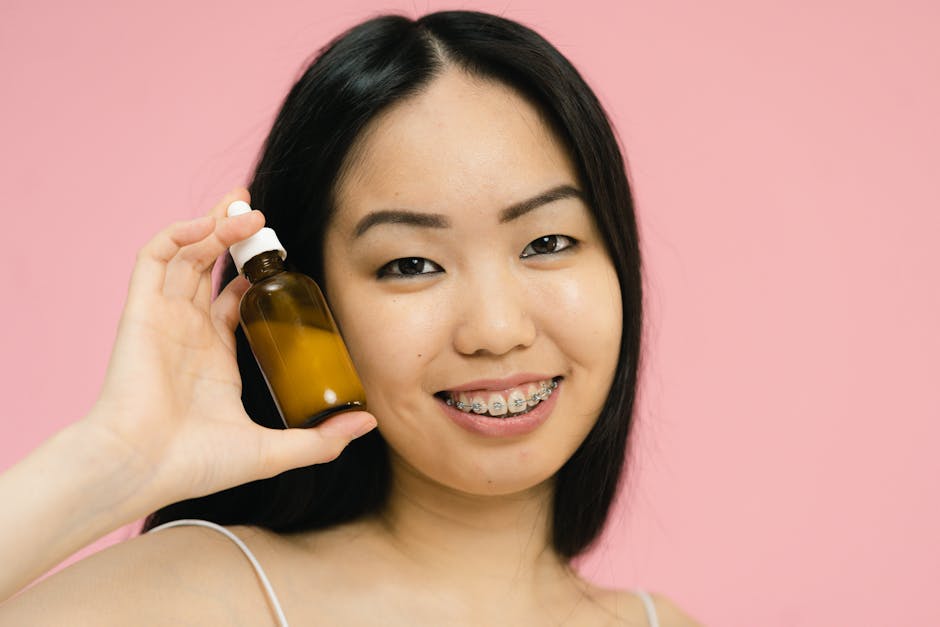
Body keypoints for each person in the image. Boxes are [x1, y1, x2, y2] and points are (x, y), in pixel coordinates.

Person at [0, 10, 702, 626]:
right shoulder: (200, 595)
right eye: (411, 263)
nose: (495, 330)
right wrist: (113, 459)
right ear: (315, 305)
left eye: (547, 243)